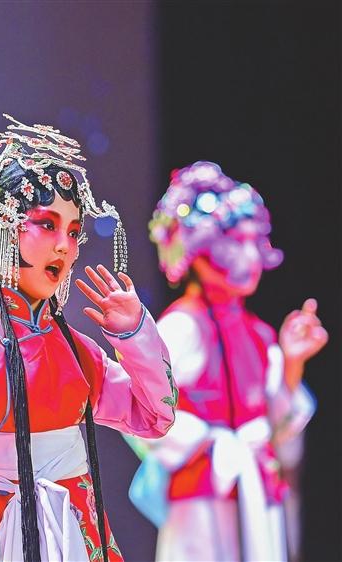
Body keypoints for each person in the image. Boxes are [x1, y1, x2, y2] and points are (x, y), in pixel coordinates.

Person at [0, 115, 177, 562]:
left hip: (74, 525)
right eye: (47, 224)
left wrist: (132, 333)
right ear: (1, 227)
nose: (64, 245)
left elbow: (154, 417)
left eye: (74, 231)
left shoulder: (76, 350)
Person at [128, 161, 326, 561]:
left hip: (255, 491)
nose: (251, 256)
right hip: (203, 498)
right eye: (236, 241)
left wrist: (292, 364)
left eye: (255, 241)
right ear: (199, 248)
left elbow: (280, 436)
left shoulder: (258, 334)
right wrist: (208, 443)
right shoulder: (182, 326)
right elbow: (141, 413)